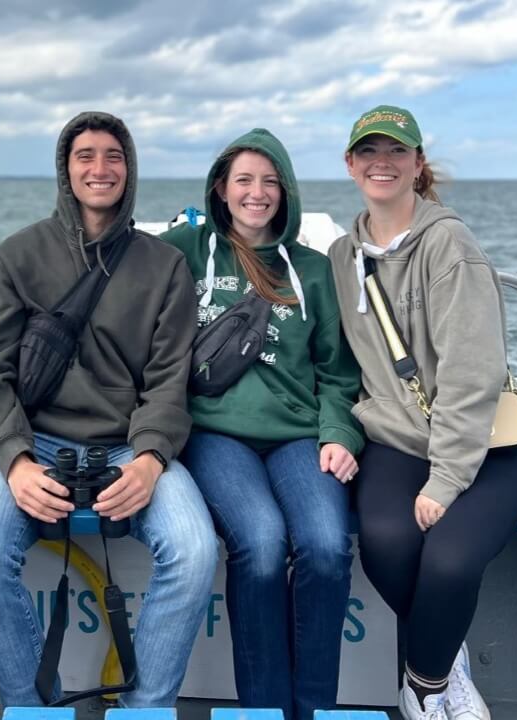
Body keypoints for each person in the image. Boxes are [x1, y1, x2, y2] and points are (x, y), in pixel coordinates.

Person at [0, 111, 218, 708]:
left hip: (128, 445)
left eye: (113, 156)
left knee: (195, 549)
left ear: (130, 169)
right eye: (85, 156)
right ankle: (32, 703)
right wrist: (14, 460)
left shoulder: (163, 265)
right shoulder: (17, 256)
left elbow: (169, 381)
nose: (100, 168)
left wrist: (150, 461)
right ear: (64, 169)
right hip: (33, 445)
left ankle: (145, 706)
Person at [328, 105, 517, 720]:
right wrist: (336, 430)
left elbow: (474, 376)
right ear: (350, 165)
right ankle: (445, 652)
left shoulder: (450, 243)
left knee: (448, 559)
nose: (382, 163)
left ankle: (423, 686)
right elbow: (333, 363)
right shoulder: (342, 257)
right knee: (387, 543)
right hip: (398, 440)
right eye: (369, 152)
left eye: (397, 151)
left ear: (418, 164)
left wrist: (447, 480)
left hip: (489, 446)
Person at [157, 129, 364, 720]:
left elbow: (338, 372)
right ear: (220, 189)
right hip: (214, 434)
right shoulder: (184, 251)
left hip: (298, 436)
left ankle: (314, 708)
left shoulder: (314, 271)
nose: (257, 193)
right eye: (243, 180)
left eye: (270, 181)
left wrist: (340, 435)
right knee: (263, 543)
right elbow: (111, 262)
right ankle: (263, 711)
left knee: (326, 547)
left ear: (287, 191)